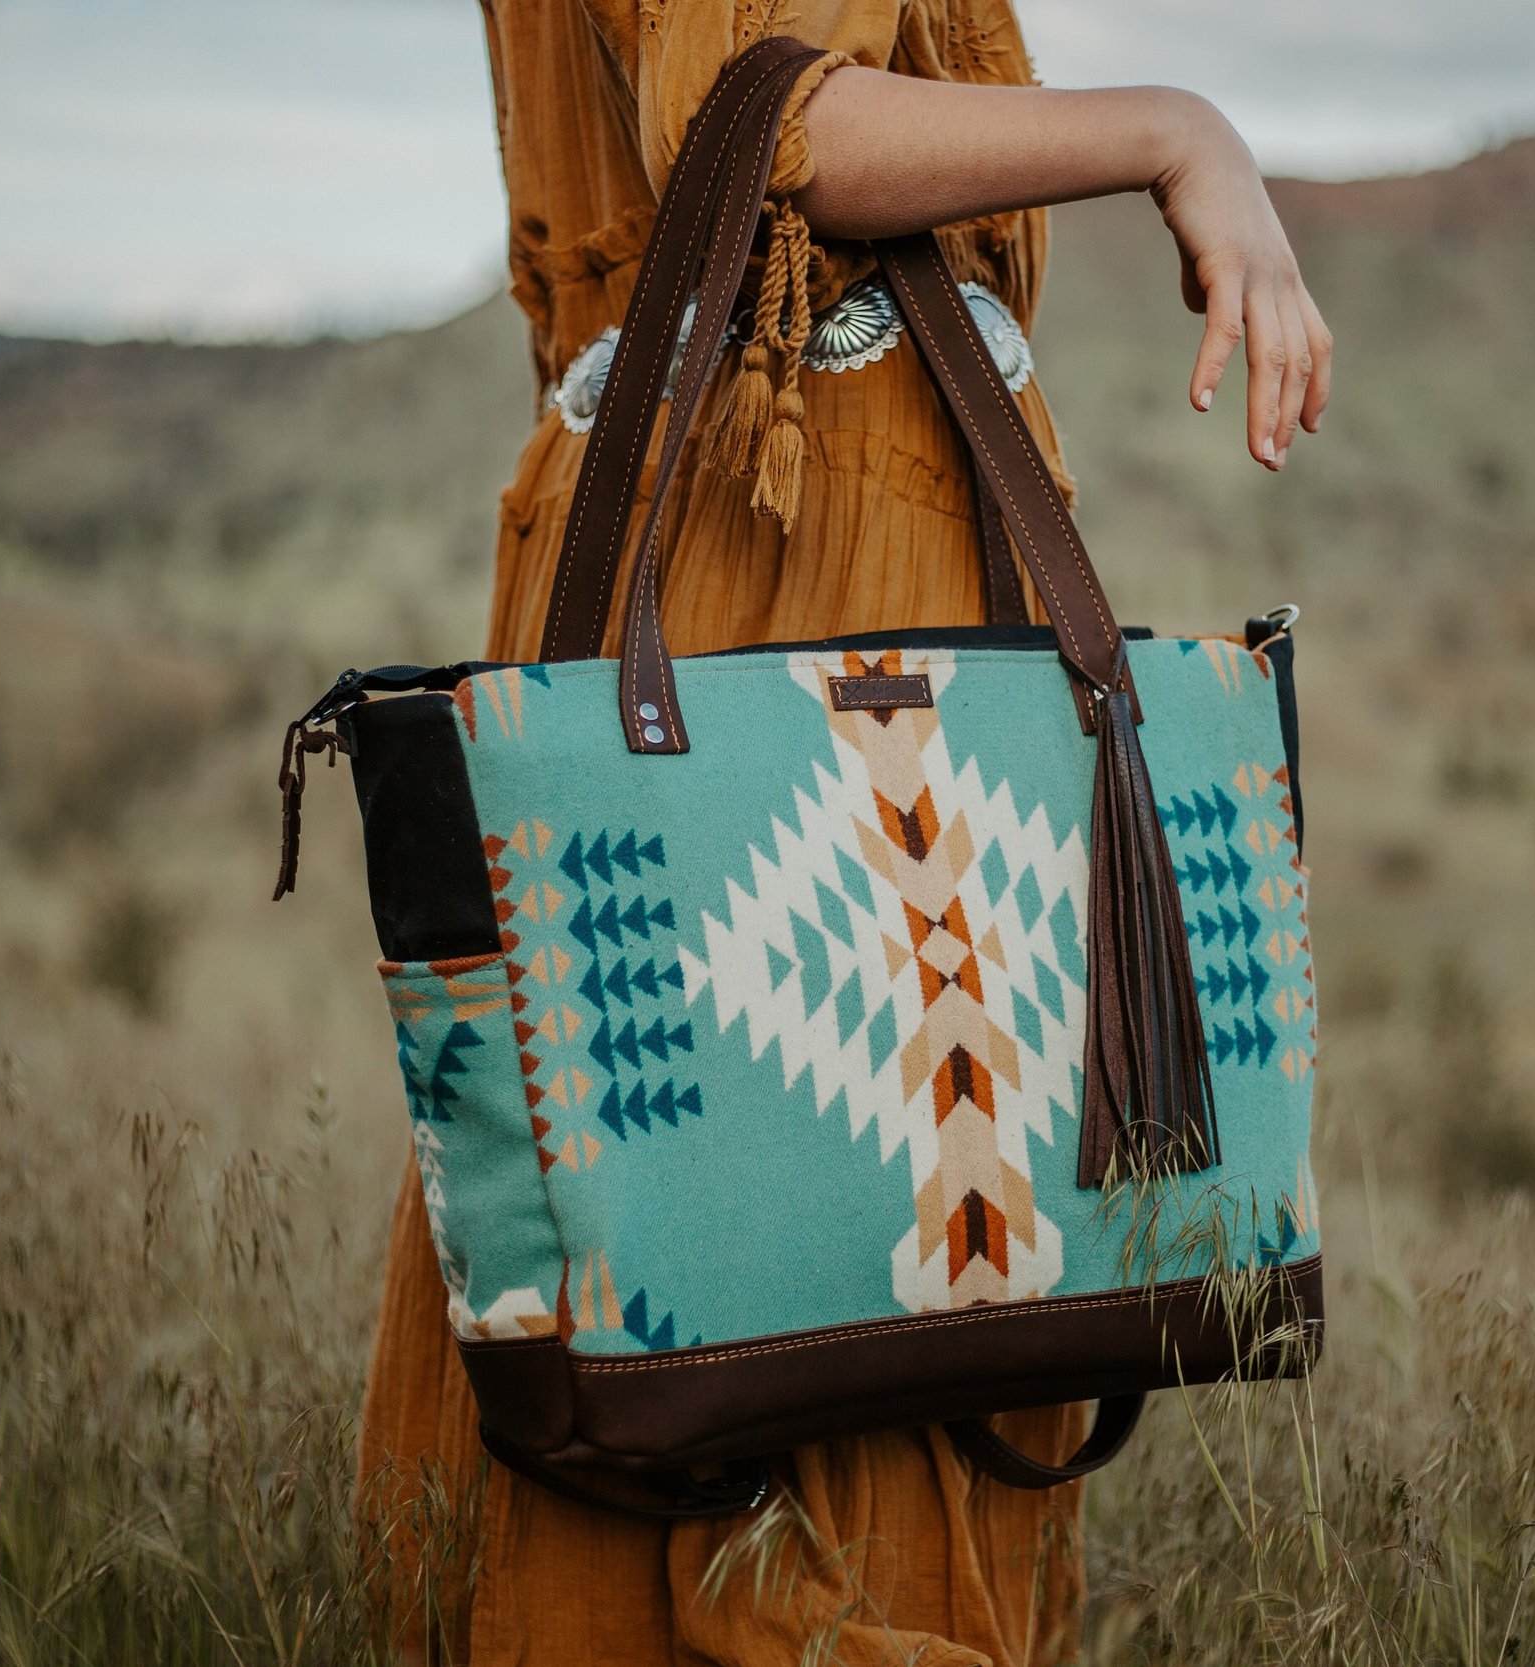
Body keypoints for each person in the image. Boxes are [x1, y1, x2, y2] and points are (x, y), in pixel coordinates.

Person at [358, 4, 1333, 1661]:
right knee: (844, 1309)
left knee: (695, 1260)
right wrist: (1181, 132)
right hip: (805, 570)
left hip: (731, 554)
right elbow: (775, 125)